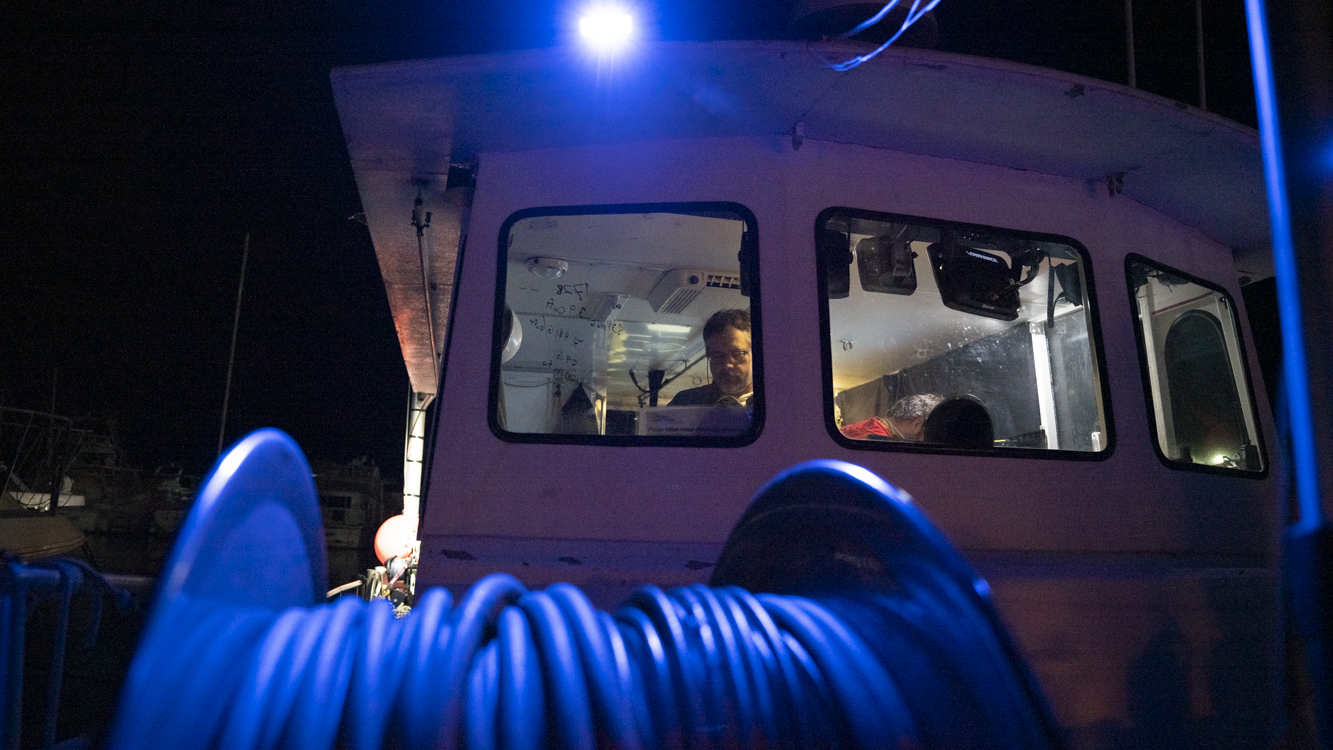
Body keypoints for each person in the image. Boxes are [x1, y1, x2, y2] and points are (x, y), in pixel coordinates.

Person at [669, 309, 754, 406]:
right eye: (717, 356)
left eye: (737, 354)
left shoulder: (773, 400)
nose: (727, 365)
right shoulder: (684, 403)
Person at [839, 393, 943, 441]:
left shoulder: (875, 423)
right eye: (925, 434)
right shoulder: (878, 441)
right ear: (917, 424)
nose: (922, 441)